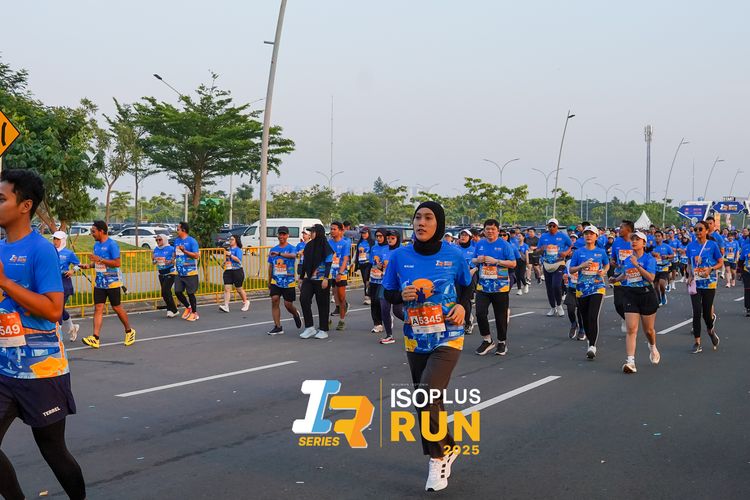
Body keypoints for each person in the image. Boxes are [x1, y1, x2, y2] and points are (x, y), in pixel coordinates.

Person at [0, 169, 86, 500]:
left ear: (25, 206)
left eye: (1, 198)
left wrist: (5, 282)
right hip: (5, 369)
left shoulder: (41, 250)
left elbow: (53, 309)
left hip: (41, 371)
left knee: (53, 449)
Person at [382, 201, 471, 492]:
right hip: (416, 336)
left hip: (448, 335)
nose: (421, 222)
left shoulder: (455, 254)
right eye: (417, 217)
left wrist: (462, 306)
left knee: (427, 392)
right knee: (427, 401)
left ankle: (437, 459)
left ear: (439, 224)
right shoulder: (399, 256)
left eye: (428, 218)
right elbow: (387, 293)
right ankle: (448, 446)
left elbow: (466, 287)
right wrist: (401, 295)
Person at [609, 231, 660, 373]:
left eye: (637, 239)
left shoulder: (649, 259)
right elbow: (626, 274)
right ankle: (630, 362)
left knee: (649, 330)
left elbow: (651, 278)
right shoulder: (628, 259)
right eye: (632, 239)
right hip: (630, 294)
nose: (634, 241)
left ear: (644, 243)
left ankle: (652, 346)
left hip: (646, 294)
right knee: (631, 329)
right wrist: (616, 279)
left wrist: (637, 265)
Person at [80, 220, 136, 348]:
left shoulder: (112, 244)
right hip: (99, 282)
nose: (92, 234)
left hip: (112, 282)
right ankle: (95, 337)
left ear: (101, 231)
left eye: (93, 231)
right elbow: (98, 262)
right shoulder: (96, 245)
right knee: (98, 307)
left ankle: (129, 331)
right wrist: (88, 265)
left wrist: (99, 259)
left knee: (116, 307)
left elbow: (117, 263)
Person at [473, 219, 517, 356]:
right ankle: (487, 340)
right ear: (484, 231)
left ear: (498, 231)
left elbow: (513, 263)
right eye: (487, 229)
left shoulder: (505, 245)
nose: (490, 231)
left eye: (493, 229)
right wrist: (478, 260)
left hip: (500, 287)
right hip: (483, 286)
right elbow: (473, 260)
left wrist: (496, 261)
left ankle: (502, 342)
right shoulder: (480, 244)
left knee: (500, 316)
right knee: (480, 313)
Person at [569, 225, 610, 359]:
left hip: (597, 287)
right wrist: (581, 266)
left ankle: (592, 345)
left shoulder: (601, 252)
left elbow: (607, 264)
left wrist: (603, 271)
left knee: (593, 316)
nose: (588, 236)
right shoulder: (578, 252)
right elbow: (571, 270)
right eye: (586, 233)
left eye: (591, 234)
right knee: (585, 317)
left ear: (596, 237)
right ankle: (589, 339)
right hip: (582, 288)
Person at [686, 220, 723, 353]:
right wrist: (689, 275)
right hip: (696, 283)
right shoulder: (690, 246)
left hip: (709, 283)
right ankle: (697, 342)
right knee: (696, 311)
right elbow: (689, 263)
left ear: (707, 231)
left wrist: (711, 269)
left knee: (707, 314)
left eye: (700, 229)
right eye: (695, 229)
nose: (697, 232)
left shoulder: (712, 245)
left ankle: (710, 330)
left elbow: (720, 262)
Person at [299, 224, 334, 340]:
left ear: (319, 233)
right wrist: (301, 278)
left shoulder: (326, 246)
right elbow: (305, 263)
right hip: (309, 279)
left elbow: (328, 263)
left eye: (313, 231)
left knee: (322, 304)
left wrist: (326, 278)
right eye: (310, 232)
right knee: (304, 299)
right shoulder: (309, 246)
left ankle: (323, 329)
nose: (311, 234)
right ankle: (309, 327)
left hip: (322, 280)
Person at [267, 227, 301, 335]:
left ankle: (295, 313)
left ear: (287, 236)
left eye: (284, 234)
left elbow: (293, 256)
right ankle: (278, 326)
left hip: (288, 281)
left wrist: (279, 254)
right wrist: (269, 280)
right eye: (280, 234)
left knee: (288, 304)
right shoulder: (273, 249)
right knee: (274, 299)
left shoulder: (292, 248)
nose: (281, 236)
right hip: (276, 280)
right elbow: (271, 266)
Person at [537, 218, 573, 317]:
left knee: (556, 285)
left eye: (554, 226)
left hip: (559, 263)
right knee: (549, 287)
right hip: (547, 263)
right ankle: (552, 307)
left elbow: (571, 246)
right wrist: (541, 249)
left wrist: (566, 252)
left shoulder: (563, 236)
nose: (552, 228)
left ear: (557, 227)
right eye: (550, 226)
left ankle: (559, 305)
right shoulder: (543, 236)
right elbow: (537, 250)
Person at [378, 230, 405, 344]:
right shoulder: (384, 249)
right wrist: (380, 266)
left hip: (397, 285)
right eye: (388, 238)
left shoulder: (402, 251)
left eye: (392, 238)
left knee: (397, 311)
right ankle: (389, 335)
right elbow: (381, 266)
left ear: (397, 239)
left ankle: (414, 324)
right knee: (384, 309)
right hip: (385, 283)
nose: (390, 240)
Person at [52, 231, 81, 341]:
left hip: (64, 284)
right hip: (52, 283)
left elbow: (78, 264)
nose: (55, 241)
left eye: (58, 239)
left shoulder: (68, 253)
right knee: (60, 309)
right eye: (54, 239)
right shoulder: (50, 251)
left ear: (63, 240)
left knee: (58, 309)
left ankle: (57, 335)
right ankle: (72, 327)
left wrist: (72, 271)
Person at [610, 220, 634, 333]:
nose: (619, 230)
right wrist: (613, 262)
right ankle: (625, 318)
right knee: (618, 303)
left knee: (631, 301)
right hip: (619, 274)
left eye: (621, 228)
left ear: (628, 229)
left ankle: (631, 319)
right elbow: (613, 258)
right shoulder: (616, 242)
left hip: (633, 276)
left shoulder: (635, 241)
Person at [173, 221, 201, 321]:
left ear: (183, 230)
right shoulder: (177, 241)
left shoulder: (192, 241)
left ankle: (194, 313)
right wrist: (173, 258)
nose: (177, 231)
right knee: (177, 291)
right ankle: (188, 307)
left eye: (178, 229)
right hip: (179, 272)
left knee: (190, 293)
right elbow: (176, 253)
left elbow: (196, 255)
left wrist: (184, 251)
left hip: (190, 272)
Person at [328, 221, 351, 331]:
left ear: (340, 231)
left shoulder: (345, 243)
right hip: (329, 273)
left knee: (341, 297)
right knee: (329, 296)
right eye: (331, 229)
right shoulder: (328, 243)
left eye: (334, 229)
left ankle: (342, 320)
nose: (332, 231)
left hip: (341, 273)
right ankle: (327, 320)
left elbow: (345, 259)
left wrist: (340, 273)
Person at [219, 235, 250, 314]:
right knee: (227, 288)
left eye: (232, 239)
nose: (230, 240)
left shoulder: (238, 250)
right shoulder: (229, 249)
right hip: (228, 270)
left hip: (237, 271)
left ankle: (246, 302)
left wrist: (231, 255)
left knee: (239, 288)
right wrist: (224, 263)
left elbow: (238, 260)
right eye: (230, 239)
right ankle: (226, 306)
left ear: (236, 240)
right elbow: (228, 259)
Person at [152, 233, 179, 318]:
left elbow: (176, 259)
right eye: (156, 240)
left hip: (170, 272)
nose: (158, 241)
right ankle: (171, 309)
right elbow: (153, 262)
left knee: (165, 291)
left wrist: (170, 261)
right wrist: (154, 260)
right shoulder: (156, 249)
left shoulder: (171, 248)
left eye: (159, 240)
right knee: (165, 293)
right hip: (161, 273)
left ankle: (173, 309)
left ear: (164, 240)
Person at [456, 229, 477, 334]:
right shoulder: (455, 249)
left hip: (470, 276)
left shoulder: (474, 250)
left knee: (466, 300)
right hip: (457, 277)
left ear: (470, 238)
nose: (463, 237)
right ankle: (461, 319)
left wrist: (473, 269)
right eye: (461, 235)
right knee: (458, 299)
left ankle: (468, 322)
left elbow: (478, 264)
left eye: (465, 235)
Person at [368, 228, 388, 333]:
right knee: (373, 301)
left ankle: (386, 317)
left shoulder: (389, 248)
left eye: (380, 236)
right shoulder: (374, 248)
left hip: (384, 279)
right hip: (374, 277)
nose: (378, 238)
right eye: (377, 236)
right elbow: (371, 263)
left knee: (379, 300)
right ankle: (377, 323)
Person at [651, 230, 674, 306]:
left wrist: (667, 256)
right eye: (656, 236)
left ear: (662, 237)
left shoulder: (666, 246)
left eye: (659, 236)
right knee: (655, 286)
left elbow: (672, 255)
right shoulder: (652, 247)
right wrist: (652, 254)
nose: (657, 237)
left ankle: (663, 294)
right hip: (655, 268)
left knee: (661, 283)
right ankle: (659, 299)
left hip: (664, 267)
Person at [356, 227, 375, 305]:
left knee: (367, 279)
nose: (363, 235)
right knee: (365, 280)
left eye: (365, 233)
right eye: (362, 233)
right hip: (361, 263)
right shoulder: (359, 242)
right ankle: (368, 294)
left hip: (369, 263)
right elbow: (357, 253)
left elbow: (374, 253)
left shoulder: (372, 242)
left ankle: (367, 296)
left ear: (368, 233)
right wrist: (355, 263)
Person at [738, 240, 750, 316]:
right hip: (747, 271)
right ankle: (748, 308)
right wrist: (739, 271)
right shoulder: (746, 247)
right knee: (748, 290)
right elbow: (741, 260)